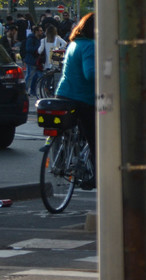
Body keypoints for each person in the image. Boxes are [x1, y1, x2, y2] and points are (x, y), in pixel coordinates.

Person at [55, 12, 96, 189]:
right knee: (97, 138)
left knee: (69, 130)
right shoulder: (90, 46)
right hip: (82, 98)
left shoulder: (74, 44)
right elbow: (90, 73)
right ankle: (96, 176)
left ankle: (63, 158)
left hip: (63, 93)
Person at [24, 25, 44, 97]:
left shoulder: (39, 39)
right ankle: (25, 90)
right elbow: (29, 49)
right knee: (29, 76)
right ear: (36, 31)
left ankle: (32, 90)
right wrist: (38, 49)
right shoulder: (31, 39)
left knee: (35, 77)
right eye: (40, 30)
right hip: (31, 60)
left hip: (36, 61)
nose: (42, 32)